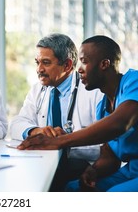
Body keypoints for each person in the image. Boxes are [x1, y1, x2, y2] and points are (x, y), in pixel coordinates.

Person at [18, 35, 138, 192]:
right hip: (130, 172)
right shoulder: (103, 107)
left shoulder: (134, 81)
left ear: (104, 64)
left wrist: (59, 141)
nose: (79, 68)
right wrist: (93, 171)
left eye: (84, 62)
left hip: (132, 173)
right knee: (72, 189)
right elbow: (110, 157)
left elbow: (120, 123)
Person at [10, 33, 103, 191]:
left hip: (86, 168)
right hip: (45, 165)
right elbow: (16, 124)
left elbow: (104, 143)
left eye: (46, 63)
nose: (39, 69)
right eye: (37, 62)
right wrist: (36, 131)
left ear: (67, 65)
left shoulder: (93, 91)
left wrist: (64, 141)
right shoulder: (38, 90)